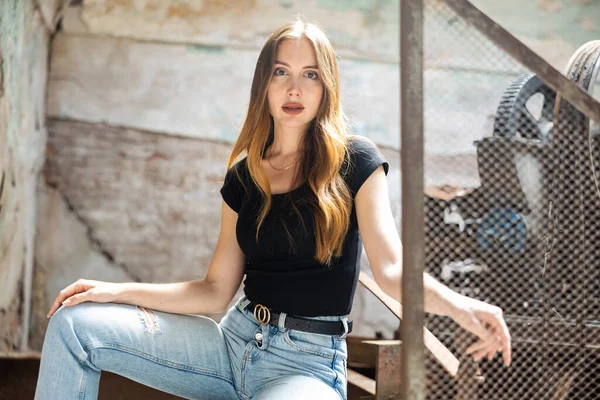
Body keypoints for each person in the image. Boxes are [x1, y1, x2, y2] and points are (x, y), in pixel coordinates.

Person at [35, 19, 511, 400]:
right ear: (264, 83)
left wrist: (462, 307)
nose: (294, 88)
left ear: (326, 88)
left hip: (306, 366)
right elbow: (214, 290)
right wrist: (115, 292)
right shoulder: (244, 177)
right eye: (281, 72)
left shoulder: (357, 162)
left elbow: (391, 269)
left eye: (310, 75)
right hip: (229, 345)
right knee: (74, 324)